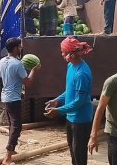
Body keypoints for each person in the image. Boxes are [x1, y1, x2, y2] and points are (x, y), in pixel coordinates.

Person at [44, 36, 93, 165]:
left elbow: (79, 101)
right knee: (73, 150)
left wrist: (58, 111)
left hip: (81, 119)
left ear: (71, 54)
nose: (61, 54)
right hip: (71, 117)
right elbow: (70, 90)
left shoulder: (81, 74)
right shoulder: (71, 66)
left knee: (79, 153)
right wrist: (57, 100)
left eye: (63, 52)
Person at [0, 37, 40, 165]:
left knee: (12, 125)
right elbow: (28, 83)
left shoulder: (2, 61)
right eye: (20, 46)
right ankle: (7, 158)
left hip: (5, 96)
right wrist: (34, 70)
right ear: (15, 48)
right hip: (14, 98)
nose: (21, 48)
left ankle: (12, 150)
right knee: (17, 127)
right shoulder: (18, 64)